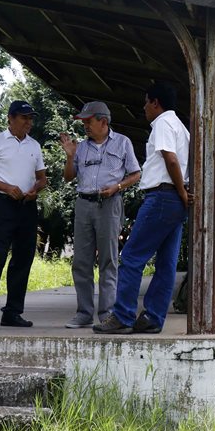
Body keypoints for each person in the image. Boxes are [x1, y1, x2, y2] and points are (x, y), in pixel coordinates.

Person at [95, 82, 190, 335]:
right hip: (175, 201)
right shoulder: (181, 126)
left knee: (131, 258)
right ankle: (153, 317)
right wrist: (182, 194)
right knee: (167, 263)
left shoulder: (162, 124)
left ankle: (123, 316)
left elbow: (170, 158)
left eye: (146, 102)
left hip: (162, 196)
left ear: (156, 102)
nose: (144, 107)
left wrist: (180, 191)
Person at [59, 101, 141, 329]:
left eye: (88, 121)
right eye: (83, 121)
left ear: (103, 121)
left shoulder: (123, 142)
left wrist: (118, 187)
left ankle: (107, 314)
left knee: (108, 260)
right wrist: (69, 157)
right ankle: (83, 313)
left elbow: (136, 174)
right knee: (81, 262)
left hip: (110, 204)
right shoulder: (81, 147)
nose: (85, 125)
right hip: (84, 204)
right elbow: (68, 177)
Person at [0, 100, 47, 330]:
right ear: (11, 118)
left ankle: (12, 312)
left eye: (30, 118)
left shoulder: (35, 145)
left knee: (23, 259)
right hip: (3, 205)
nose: (28, 122)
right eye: (24, 117)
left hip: (27, 206)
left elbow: (42, 178)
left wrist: (36, 189)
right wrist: (6, 187)